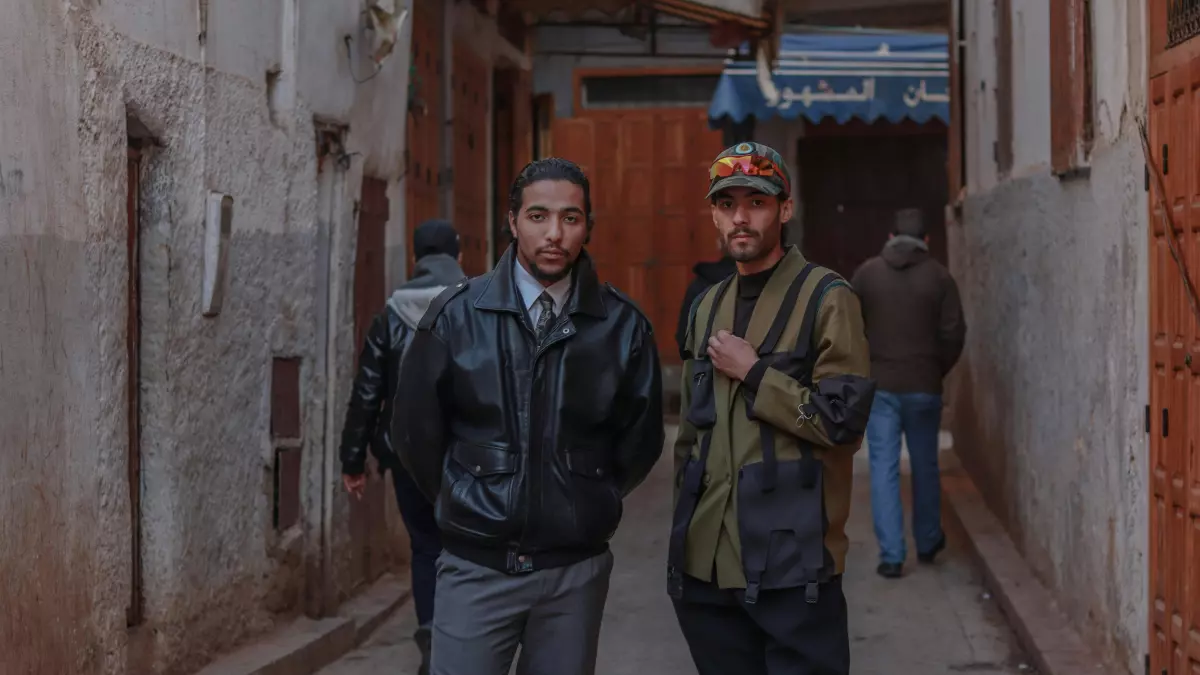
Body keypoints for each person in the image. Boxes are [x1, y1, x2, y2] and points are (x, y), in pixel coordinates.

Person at [393, 158, 664, 675]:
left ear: (588, 226)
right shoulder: (455, 316)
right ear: (513, 222)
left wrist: (585, 493)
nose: (555, 233)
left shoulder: (622, 328)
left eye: (571, 218)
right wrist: (464, 495)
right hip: (475, 566)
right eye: (538, 216)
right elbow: (414, 433)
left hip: (574, 573)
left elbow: (639, 442)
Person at [669, 141, 875, 675]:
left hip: (793, 566)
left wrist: (757, 373)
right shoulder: (704, 306)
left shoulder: (828, 298)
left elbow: (843, 423)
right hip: (707, 568)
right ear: (714, 214)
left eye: (757, 202)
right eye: (727, 203)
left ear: (785, 209)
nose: (741, 216)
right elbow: (694, 433)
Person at [339, 218, 467, 675]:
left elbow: (367, 391)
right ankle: (459, 641)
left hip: (407, 457)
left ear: (415, 258)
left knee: (425, 547)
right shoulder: (475, 305)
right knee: (466, 548)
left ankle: (431, 635)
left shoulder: (390, 314)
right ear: (457, 255)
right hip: (465, 457)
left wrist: (353, 459)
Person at [850, 208, 966, 579]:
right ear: (926, 240)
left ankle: (892, 555)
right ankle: (929, 540)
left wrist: (865, 367)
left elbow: (850, 326)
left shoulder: (867, 275)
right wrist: (934, 368)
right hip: (924, 386)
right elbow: (953, 334)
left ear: (889, 238)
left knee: (882, 468)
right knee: (925, 465)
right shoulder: (940, 278)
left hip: (880, 386)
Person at [675, 238, 737, 361]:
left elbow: (683, 336)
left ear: (719, 244)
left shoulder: (699, 285)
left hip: (704, 371)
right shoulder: (764, 285)